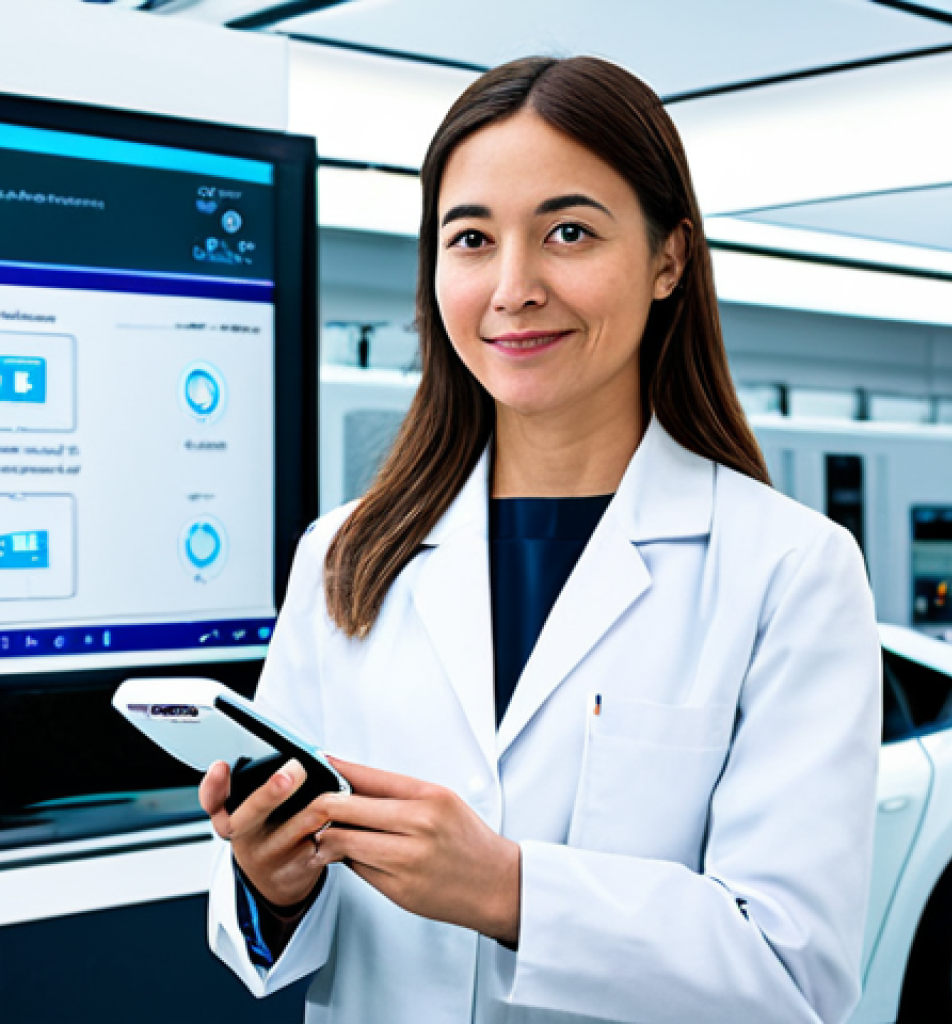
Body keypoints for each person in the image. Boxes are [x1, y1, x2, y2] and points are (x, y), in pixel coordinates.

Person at [201, 55, 881, 1024]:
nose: (512, 287)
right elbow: (264, 936)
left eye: (567, 231)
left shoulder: (789, 569)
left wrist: (507, 888)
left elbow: (791, 973)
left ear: (667, 258)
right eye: (471, 237)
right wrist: (273, 882)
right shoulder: (344, 553)